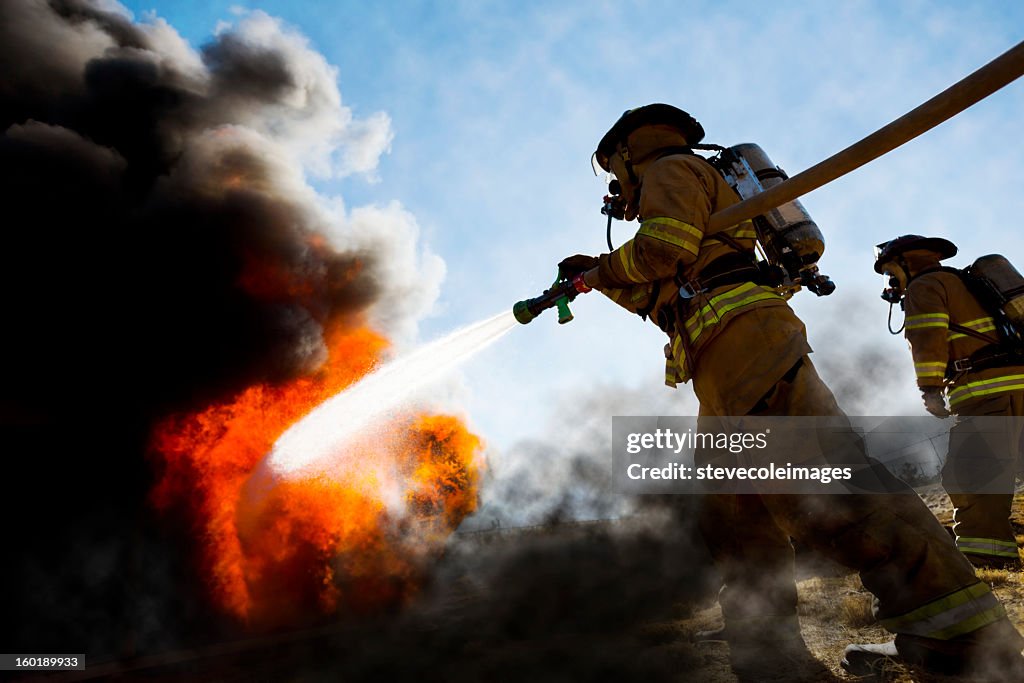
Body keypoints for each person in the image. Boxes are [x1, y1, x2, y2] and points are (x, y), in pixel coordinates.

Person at [557, 104, 1024, 679]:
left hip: (752, 352)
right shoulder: (692, 197)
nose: (616, 189)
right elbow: (663, 294)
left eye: (613, 172)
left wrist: (599, 270)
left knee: (836, 492)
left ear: (628, 153)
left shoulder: (668, 170)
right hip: (722, 373)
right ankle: (772, 665)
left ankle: (966, 648)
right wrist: (593, 275)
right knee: (734, 524)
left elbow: (660, 252)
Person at [874, 235, 1024, 570]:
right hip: (1016, 382)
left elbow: (927, 338)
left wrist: (930, 389)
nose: (891, 282)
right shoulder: (965, 282)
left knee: (971, 476)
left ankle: (988, 559)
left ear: (906, 262)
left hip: (987, 392)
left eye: (890, 272)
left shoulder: (924, 287)